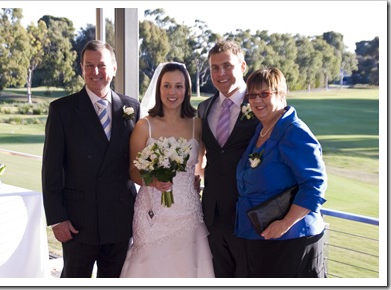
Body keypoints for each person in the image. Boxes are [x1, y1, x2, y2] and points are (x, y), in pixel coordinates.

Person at [41, 40, 140, 278]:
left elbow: (138, 162)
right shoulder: (62, 110)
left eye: (102, 65)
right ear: (82, 68)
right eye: (89, 65)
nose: (96, 72)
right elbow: (51, 170)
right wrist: (57, 218)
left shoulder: (132, 107)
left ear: (114, 68)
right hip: (77, 222)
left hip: (119, 218)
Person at [120, 62, 215, 278]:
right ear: (159, 88)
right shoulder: (145, 126)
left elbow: (202, 163)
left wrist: (196, 180)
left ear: (187, 90)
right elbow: (132, 170)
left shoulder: (196, 124)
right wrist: (152, 180)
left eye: (179, 86)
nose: (172, 92)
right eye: (167, 86)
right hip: (152, 212)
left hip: (188, 211)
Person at [235, 67, 327, 277]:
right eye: (252, 95)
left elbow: (315, 185)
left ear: (281, 94)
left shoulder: (294, 131)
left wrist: (285, 224)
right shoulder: (261, 129)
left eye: (264, 94)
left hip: (291, 239)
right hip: (260, 235)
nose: (257, 100)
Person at [197, 40, 259, 277]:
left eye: (227, 66)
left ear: (242, 66)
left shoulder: (259, 104)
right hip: (212, 215)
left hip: (249, 213)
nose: (220, 73)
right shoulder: (204, 108)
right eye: (214, 68)